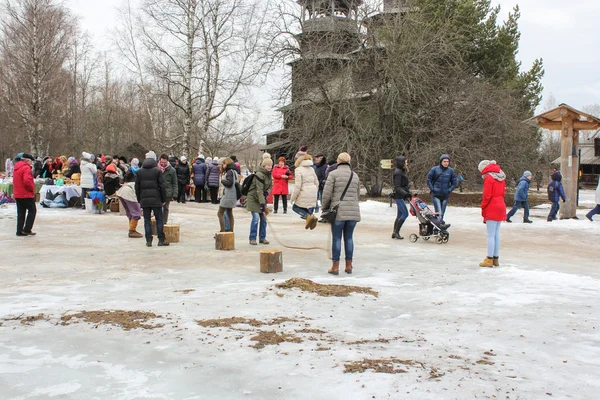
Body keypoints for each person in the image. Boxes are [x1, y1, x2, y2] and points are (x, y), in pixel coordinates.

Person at [322, 152, 361, 275]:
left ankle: (335, 266)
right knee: (349, 238)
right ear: (349, 161)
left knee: (337, 238)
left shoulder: (333, 174)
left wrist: (325, 208)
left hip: (338, 211)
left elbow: (326, 194)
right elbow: (357, 195)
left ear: (338, 161)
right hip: (353, 211)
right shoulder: (355, 176)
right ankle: (349, 265)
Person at [136, 151, 169, 247]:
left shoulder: (139, 172)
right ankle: (161, 240)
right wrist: (164, 199)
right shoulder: (157, 171)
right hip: (156, 199)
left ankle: (148, 240)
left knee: (147, 220)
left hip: (145, 199)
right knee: (159, 219)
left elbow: (137, 187)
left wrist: (139, 199)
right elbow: (162, 186)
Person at [478, 160, 506, 268]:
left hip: (492, 206)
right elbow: (503, 192)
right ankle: (495, 258)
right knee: (496, 234)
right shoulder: (501, 177)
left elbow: (487, 195)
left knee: (490, 234)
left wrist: (483, 206)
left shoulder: (489, 178)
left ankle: (489, 259)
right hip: (501, 204)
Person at [246, 157, 273, 245]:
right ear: (264, 165)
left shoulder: (268, 174)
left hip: (261, 197)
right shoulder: (259, 174)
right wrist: (262, 203)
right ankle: (252, 238)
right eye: (268, 165)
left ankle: (262, 238)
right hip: (253, 198)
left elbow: (270, 186)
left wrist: (267, 193)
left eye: (271, 165)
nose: (270, 167)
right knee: (256, 218)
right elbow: (258, 190)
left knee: (264, 219)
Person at [291, 154, 319, 229]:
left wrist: (293, 198)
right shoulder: (312, 169)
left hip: (303, 191)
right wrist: (314, 190)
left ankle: (308, 217)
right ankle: (311, 218)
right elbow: (317, 182)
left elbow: (298, 186)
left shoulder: (298, 170)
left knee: (295, 207)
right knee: (305, 207)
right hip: (312, 192)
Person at [426, 154, 457, 221]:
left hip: (445, 195)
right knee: (439, 213)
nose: (446, 163)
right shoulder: (434, 169)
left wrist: (449, 190)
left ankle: (438, 227)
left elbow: (454, 182)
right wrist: (432, 189)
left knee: (442, 214)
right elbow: (429, 180)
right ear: (441, 162)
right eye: (444, 161)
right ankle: (439, 227)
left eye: (447, 161)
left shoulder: (451, 171)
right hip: (436, 194)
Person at [13, 153, 37, 236]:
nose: (31, 163)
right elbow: (27, 181)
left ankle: (19, 230)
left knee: (21, 212)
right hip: (26, 194)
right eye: (31, 161)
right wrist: (32, 189)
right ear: (27, 160)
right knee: (32, 210)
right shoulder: (26, 168)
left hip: (18, 194)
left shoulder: (16, 168)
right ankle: (27, 229)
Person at [116, 170, 143, 238]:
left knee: (130, 213)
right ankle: (132, 231)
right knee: (136, 213)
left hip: (122, 192)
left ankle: (131, 229)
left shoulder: (135, 178)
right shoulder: (140, 180)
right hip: (129, 193)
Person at [392, 155, 411, 239]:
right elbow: (398, 187)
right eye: (405, 162)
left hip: (401, 195)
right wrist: (406, 194)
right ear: (401, 163)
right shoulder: (398, 172)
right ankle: (396, 232)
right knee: (405, 213)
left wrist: (408, 192)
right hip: (399, 196)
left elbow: (404, 186)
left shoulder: (402, 171)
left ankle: (394, 232)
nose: (407, 163)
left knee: (399, 215)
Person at [218, 158, 238, 232]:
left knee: (220, 213)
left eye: (223, 164)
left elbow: (229, 183)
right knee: (229, 213)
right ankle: (230, 230)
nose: (222, 165)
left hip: (227, 195)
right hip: (232, 195)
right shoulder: (234, 171)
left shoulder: (229, 172)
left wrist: (223, 181)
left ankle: (222, 230)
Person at [158, 154, 178, 224]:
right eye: (162, 163)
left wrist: (175, 194)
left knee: (165, 208)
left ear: (167, 162)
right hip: (158, 191)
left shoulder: (172, 170)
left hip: (167, 192)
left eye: (165, 163)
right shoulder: (156, 169)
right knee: (157, 208)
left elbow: (175, 182)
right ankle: (158, 221)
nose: (163, 164)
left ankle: (164, 222)